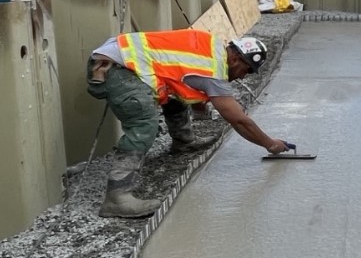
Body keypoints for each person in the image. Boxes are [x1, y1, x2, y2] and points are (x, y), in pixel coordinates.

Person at [86, 29, 290, 219]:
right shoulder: (213, 70)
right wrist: (270, 144)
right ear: (235, 58)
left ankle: (183, 141)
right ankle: (117, 197)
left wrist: (200, 101)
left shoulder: (211, 47)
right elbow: (239, 120)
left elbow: (180, 74)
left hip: (123, 59)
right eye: (246, 70)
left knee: (176, 94)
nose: (243, 76)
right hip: (113, 68)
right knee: (143, 124)